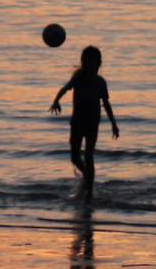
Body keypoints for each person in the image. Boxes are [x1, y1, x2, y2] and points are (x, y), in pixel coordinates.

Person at [50, 45, 119, 189]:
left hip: (93, 123)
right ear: (82, 62)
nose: (89, 64)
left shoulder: (101, 82)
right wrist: (56, 100)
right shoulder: (79, 77)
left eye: (93, 61)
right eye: (86, 61)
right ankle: (87, 177)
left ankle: (89, 192)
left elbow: (106, 103)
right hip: (77, 122)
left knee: (89, 156)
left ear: (99, 63)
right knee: (75, 158)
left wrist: (113, 124)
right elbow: (65, 88)